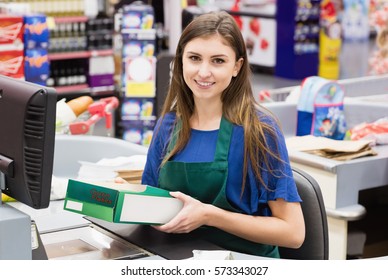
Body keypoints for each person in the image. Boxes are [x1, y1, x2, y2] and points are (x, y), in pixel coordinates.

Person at [141, 11, 305, 258]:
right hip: (178, 260)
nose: (204, 72)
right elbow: (149, 202)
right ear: (181, 61)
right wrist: (123, 198)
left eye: (218, 61)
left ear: (237, 66)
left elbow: (293, 233)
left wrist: (210, 216)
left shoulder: (259, 130)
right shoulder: (168, 126)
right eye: (195, 58)